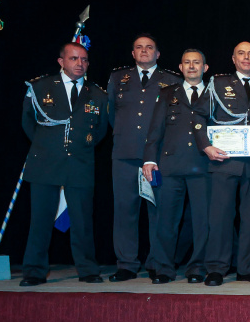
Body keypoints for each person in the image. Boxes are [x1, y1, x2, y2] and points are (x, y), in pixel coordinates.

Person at [20, 42, 109, 286]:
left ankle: (88, 270)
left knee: (82, 221)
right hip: (45, 163)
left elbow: (99, 131)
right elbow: (30, 124)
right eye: (74, 59)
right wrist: (49, 147)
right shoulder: (40, 87)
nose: (80, 64)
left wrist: (79, 147)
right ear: (61, 61)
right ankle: (34, 272)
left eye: (84, 59)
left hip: (80, 163)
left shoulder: (98, 94)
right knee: (40, 221)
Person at [107, 35, 182, 282]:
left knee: (158, 212)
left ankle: (156, 262)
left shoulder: (171, 80)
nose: (144, 51)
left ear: (158, 54)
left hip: (158, 157)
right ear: (133, 53)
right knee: (125, 210)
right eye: (138, 47)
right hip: (125, 154)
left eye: (149, 47)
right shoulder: (118, 78)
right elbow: (110, 114)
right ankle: (127, 263)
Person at [197, 41, 250, 286]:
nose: (247, 58)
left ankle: (246, 267)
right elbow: (198, 116)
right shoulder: (218, 84)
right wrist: (205, 146)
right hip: (223, 161)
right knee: (220, 217)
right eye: (242, 53)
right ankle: (217, 268)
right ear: (233, 58)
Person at [141, 49, 212, 284]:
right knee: (166, 220)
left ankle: (197, 267)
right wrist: (150, 160)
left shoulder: (215, 94)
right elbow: (155, 130)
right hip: (170, 166)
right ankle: (163, 267)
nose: (192, 66)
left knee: (203, 222)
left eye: (197, 63)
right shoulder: (167, 93)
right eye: (187, 63)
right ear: (180, 68)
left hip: (204, 166)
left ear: (205, 67)